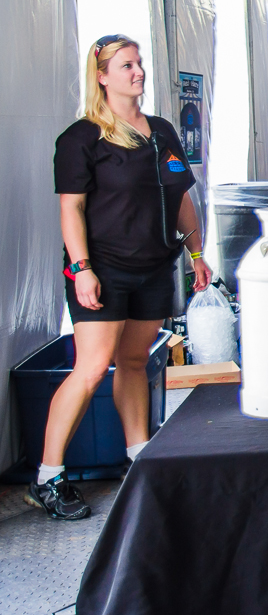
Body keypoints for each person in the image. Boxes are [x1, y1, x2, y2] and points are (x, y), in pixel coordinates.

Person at [36, 35, 212, 520]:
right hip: (103, 269)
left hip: (153, 266)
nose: (138, 72)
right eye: (126, 66)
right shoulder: (81, 138)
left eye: (139, 63)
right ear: (102, 76)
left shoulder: (161, 131)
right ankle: (48, 475)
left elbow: (180, 197)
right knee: (92, 367)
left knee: (134, 362)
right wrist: (82, 269)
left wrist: (197, 252)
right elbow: (71, 209)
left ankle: (139, 457)